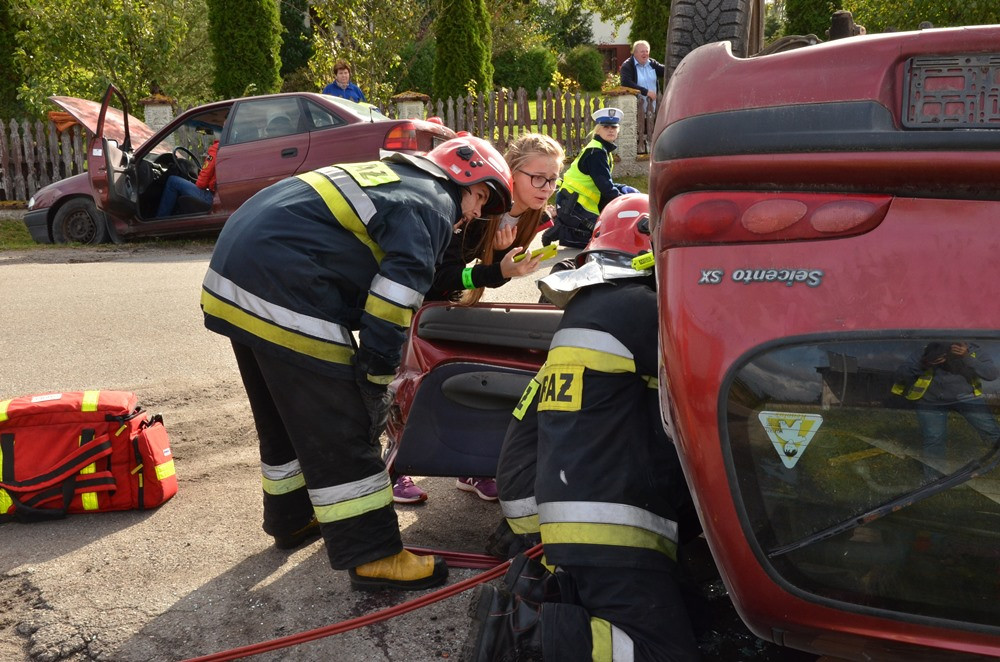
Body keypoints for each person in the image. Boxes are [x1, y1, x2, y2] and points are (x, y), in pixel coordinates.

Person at [200, 135, 513, 591]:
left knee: (282, 417)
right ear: (465, 178)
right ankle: (375, 555)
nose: (473, 214)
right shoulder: (431, 204)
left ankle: (290, 519)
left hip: (233, 280)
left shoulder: (393, 180)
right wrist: (375, 377)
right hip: (287, 290)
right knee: (341, 423)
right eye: (479, 200)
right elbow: (393, 302)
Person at [463, 193, 702, 660]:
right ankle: (526, 637)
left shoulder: (589, 311)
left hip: (559, 515)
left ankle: (548, 607)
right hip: (608, 528)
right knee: (664, 654)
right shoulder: (641, 310)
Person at [391, 133, 567, 505]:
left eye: (553, 180)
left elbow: (482, 273)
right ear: (512, 173)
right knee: (406, 382)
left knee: (461, 380)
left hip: (446, 301)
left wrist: (500, 266)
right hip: (413, 295)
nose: (547, 188)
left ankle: (469, 466)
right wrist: (497, 270)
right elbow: (443, 275)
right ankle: (391, 468)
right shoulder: (476, 204)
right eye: (538, 178)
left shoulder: (533, 216)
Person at [892, 341, 1000, 478]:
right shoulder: (926, 350)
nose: (950, 344)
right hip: (930, 402)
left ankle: (996, 466)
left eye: (955, 339)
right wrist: (924, 363)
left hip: (967, 397)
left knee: (991, 432)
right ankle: (933, 481)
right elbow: (900, 376)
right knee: (934, 439)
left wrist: (966, 357)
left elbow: (991, 374)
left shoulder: (973, 351)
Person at [542, 108, 640, 249]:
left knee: (626, 191)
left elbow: (604, 183)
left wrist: (628, 193)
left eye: (613, 127)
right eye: (605, 127)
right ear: (598, 130)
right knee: (602, 240)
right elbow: (606, 187)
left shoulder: (602, 149)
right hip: (573, 204)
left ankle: (564, 221)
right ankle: (560, 229)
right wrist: (625, 204)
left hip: (578, 202)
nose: (610, 130)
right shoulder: (596, 153)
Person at [156, 140, 218, 218]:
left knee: (172, 181)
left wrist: (198, 181)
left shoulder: (217, 148)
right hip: (217, 197)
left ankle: (160, 219)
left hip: (211, 198)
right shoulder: (227, 149)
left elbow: (202, 183)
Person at [620, 40, 665, 108]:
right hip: (636, 108)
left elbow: (665, 71)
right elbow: (626, 83)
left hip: (653, 107)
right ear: (635, 53)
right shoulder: (627, 66)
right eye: (642, 51)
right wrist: (646, 92)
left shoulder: (652, 63)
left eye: (647, 51)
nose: (645, 54)